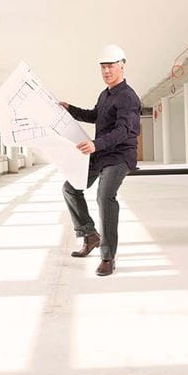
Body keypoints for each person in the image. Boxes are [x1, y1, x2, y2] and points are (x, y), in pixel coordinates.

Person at [59, 44, 141, 276]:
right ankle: (90, 235)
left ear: (122, 66)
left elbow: (124, 131)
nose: (106, 71)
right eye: (103, 67)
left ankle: (108, 257)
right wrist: (70, 109)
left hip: (121, 155)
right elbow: (96, 116)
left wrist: (96, 144)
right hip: (103, 153)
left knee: (104, 196)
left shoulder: (128, 97)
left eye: (111, 66)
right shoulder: (105, 94)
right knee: (70, 188)